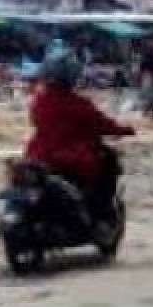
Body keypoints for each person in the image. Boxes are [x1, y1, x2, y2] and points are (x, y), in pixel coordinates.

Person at [24, 49, 135, 222]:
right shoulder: (78, 104)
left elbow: (35, 121)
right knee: (101, 173)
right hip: (72, 157)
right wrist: (124, 129)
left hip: (38, 153)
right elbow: (101, 123)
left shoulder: (39, 101)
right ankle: (98, 213)